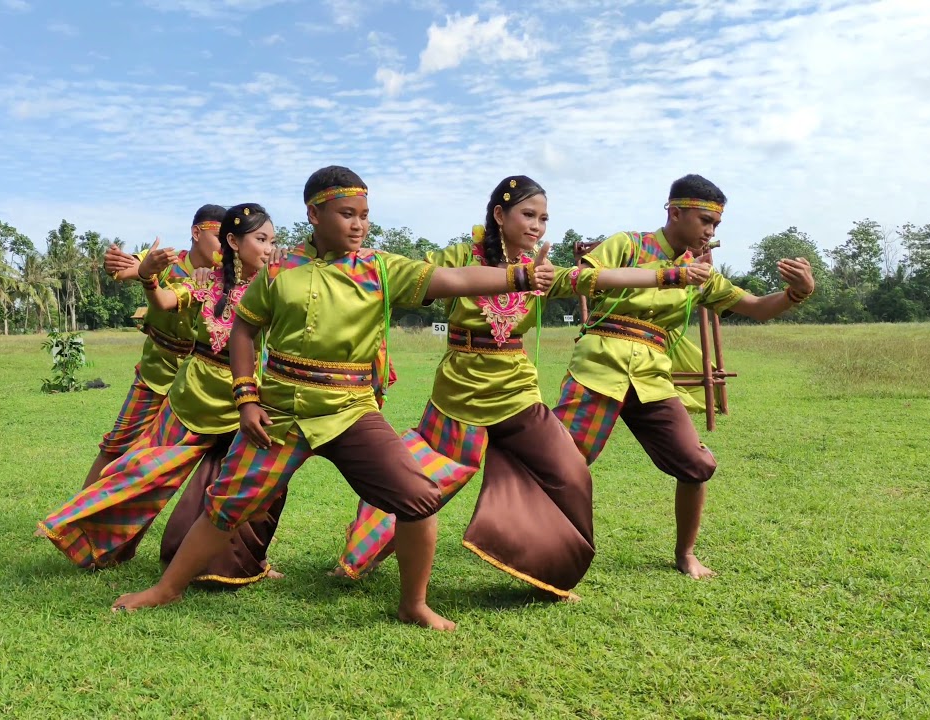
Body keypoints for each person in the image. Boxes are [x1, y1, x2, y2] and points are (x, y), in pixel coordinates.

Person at [111, 165, 566, 632]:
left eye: (364, 215)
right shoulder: (278, 270)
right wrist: (246, 398)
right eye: (347, 213)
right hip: (281, 412)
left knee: (419, 497)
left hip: (350, 410)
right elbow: (245, 328)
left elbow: (452, 280)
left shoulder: (380, 269)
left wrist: (518, 277)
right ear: (313, 213)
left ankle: (414, 604)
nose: (358, 224)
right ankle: (166, 589)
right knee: (226, 504)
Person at [334, 175, 710, 599]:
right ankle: (362, 552)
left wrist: (670, 275)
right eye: (528, 215)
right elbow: (410, 273)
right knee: (425, 479)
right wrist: (350, 258)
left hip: (517, 388)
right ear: (499, 215)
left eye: (544, 218)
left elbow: (597, 279)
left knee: (569, 472)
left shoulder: (543, 267)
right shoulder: (461, 255)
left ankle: (547, 572)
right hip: (461, 388)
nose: (537, 226)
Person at [553, 174, 816, 579]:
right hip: (599, 365)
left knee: (695, 463)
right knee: (560, 463)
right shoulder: (629, 244)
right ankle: (532, 544)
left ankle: (686, 554)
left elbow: (756, 307)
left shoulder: (702, 273)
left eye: (716, 226)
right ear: (675, 213)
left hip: (653, 376)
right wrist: (661, 274)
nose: (710, 232)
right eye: (704, 221)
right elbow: (581, 279)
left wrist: (796, 294)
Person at [38, 204, 285, 584]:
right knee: (142, 466)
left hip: (247, 400)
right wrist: (149, 277)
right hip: (192, 393)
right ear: (224, 240)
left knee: (258, 480)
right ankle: (88, 530)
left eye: (272, 240)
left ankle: (244, 562)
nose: (269, 247)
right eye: (261, 239)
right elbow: (158, 293)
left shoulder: (274, 281)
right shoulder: (195, 274)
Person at [81, 204, 224, 490]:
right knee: (119, 443)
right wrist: (116, 263)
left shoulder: (225, 274)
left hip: (199, 380)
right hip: (156, 371)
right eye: (220, 236)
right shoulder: (164, 261)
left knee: (215, 454)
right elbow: (126, 270)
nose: (225, 246)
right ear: (197, 233)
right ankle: (74, 516)